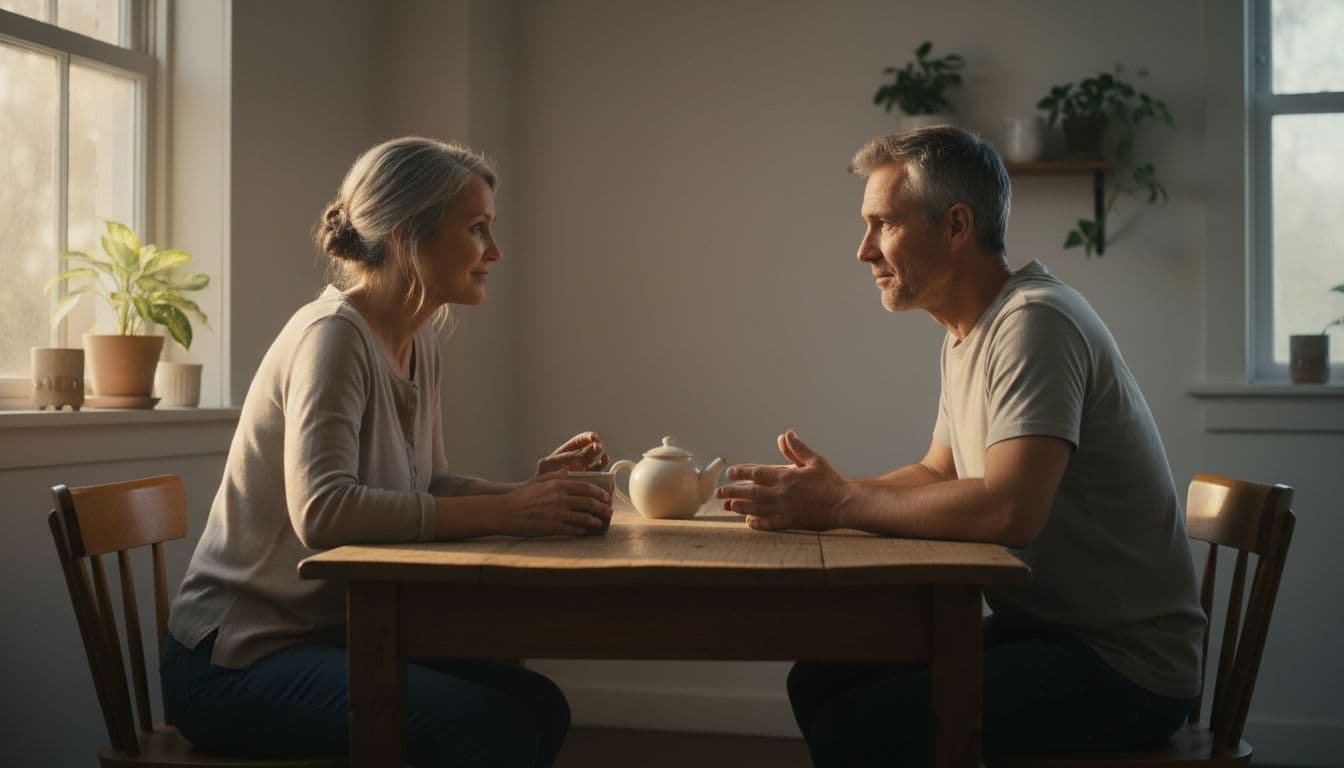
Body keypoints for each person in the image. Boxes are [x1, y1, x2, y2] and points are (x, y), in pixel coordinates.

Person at [715, 126, 1205, 766]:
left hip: (1125, 666)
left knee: (858, 728)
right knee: (820, 678)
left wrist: (839, 505)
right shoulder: (970, 331)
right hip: (1049, 634)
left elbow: (1009, 512)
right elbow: (935, 471)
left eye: (882, 224)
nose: (864, 251)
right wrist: (818, 496)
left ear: (955, 226)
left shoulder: (1035, 322)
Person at [162, 137, 613, 767]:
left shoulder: (417, 336)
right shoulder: (333, 339)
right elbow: (323, 512)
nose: (495, 252)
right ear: (408, 236)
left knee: (540, 706)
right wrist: (511, 514)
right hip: (236, 658)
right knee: (491, 730)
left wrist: (529, 496)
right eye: (477, 229)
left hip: (330, 640)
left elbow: (429, 487)